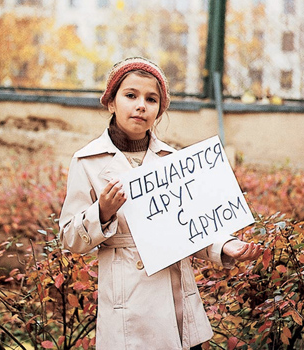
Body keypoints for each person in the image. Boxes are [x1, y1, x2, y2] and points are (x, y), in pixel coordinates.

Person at [59, 57, 262, 350]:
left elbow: (188, 227)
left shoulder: (173, 162)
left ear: (159, 110)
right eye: (131, 95)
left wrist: (224, 245)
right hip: (127, 307)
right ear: (111, 103)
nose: (141, 105)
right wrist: (101, 213)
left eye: (151, 99)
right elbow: (69, 238)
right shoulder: (86, 161)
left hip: (174, 297)